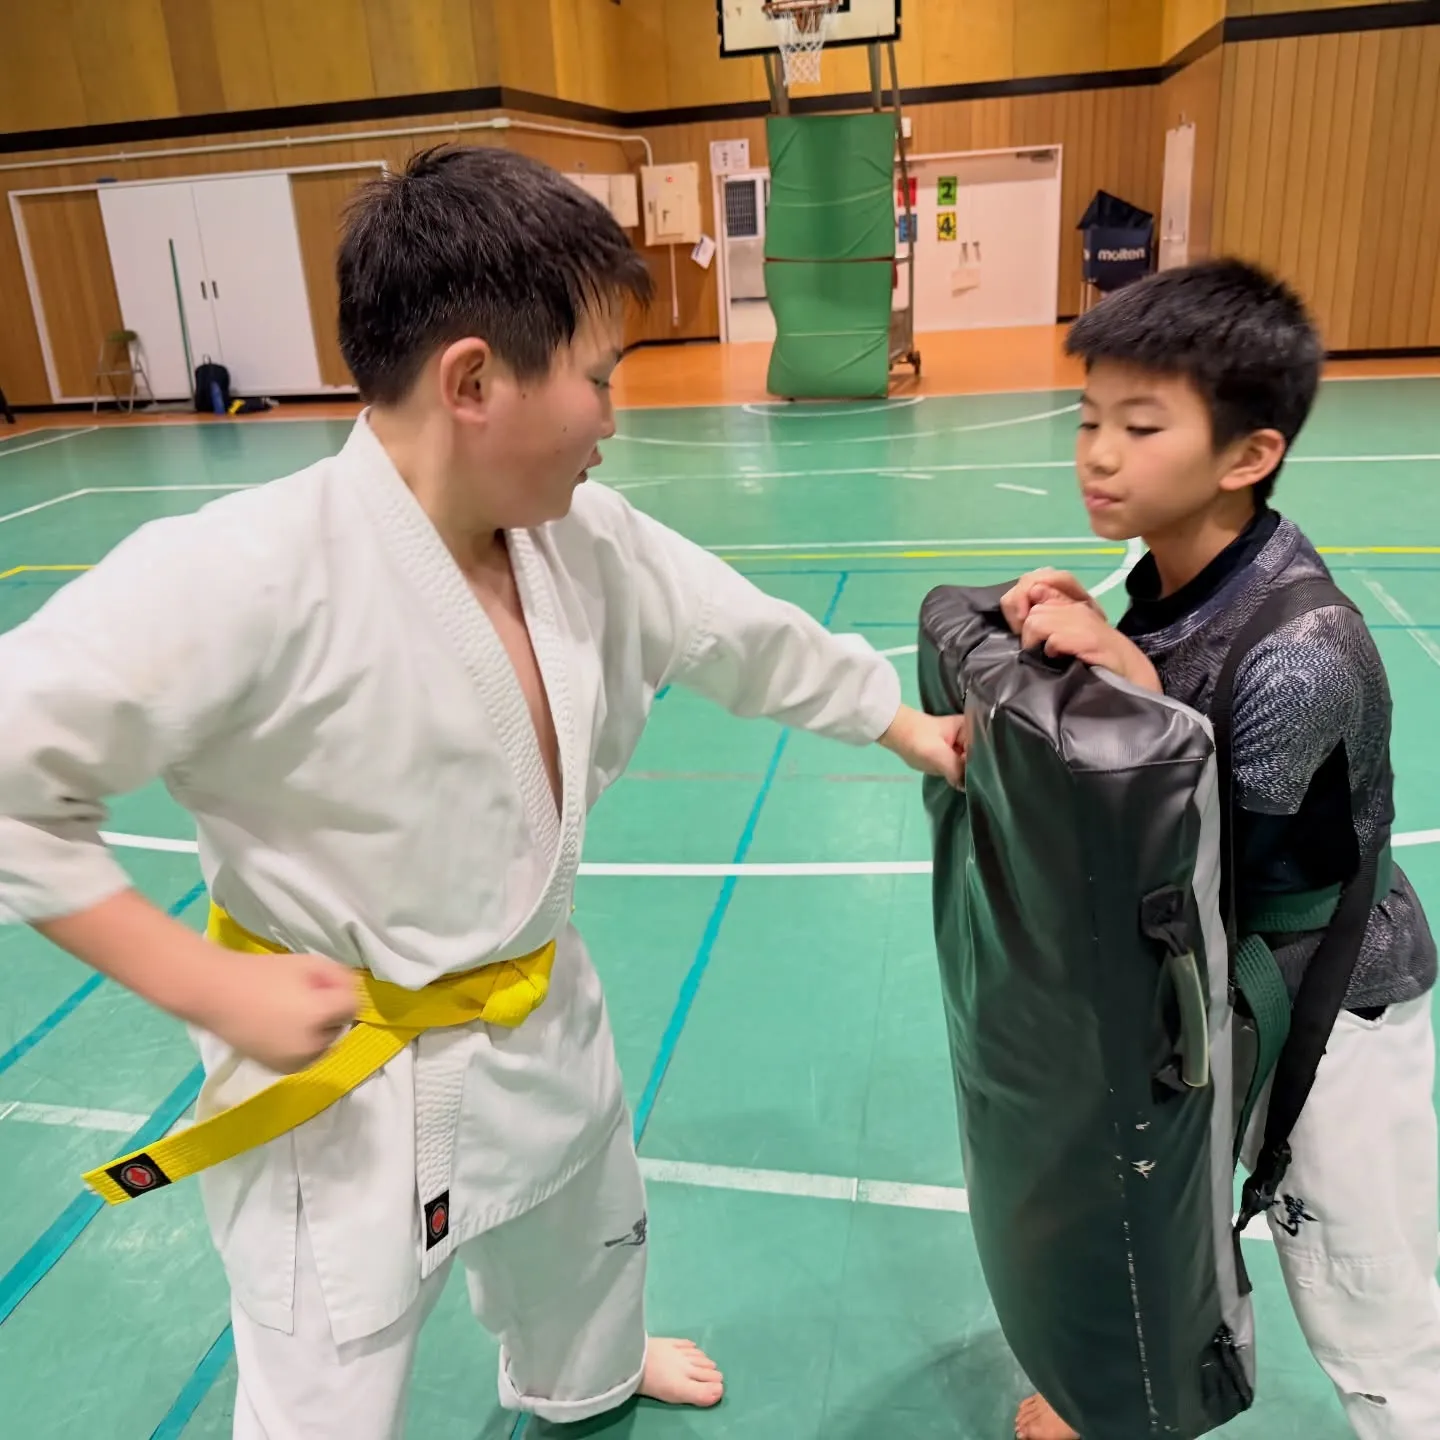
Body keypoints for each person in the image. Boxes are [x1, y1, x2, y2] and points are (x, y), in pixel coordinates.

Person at [0, 145, 964, 1439]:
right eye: (599, 378)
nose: (616, 417)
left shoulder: (582, 538)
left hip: (537, 1011)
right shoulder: (244, 576)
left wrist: (900, 720)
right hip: (343, 1081)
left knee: (590, 1245)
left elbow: (735, 631)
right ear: (473, 382)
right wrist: (206, 983)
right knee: (327, 1380)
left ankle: (587, 1375)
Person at [999, 259, 1440, 1440]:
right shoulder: (1168, 575)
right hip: (1211, 976)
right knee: (1150, 1211)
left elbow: (1211, 853)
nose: (1097, 452)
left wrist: (1132, 685)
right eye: (1089, 419)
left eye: (1140, 427)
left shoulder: (1306, 647)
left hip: (1329, 1001)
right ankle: (1121, 1396)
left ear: (1248, 457)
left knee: (1371, 1297)